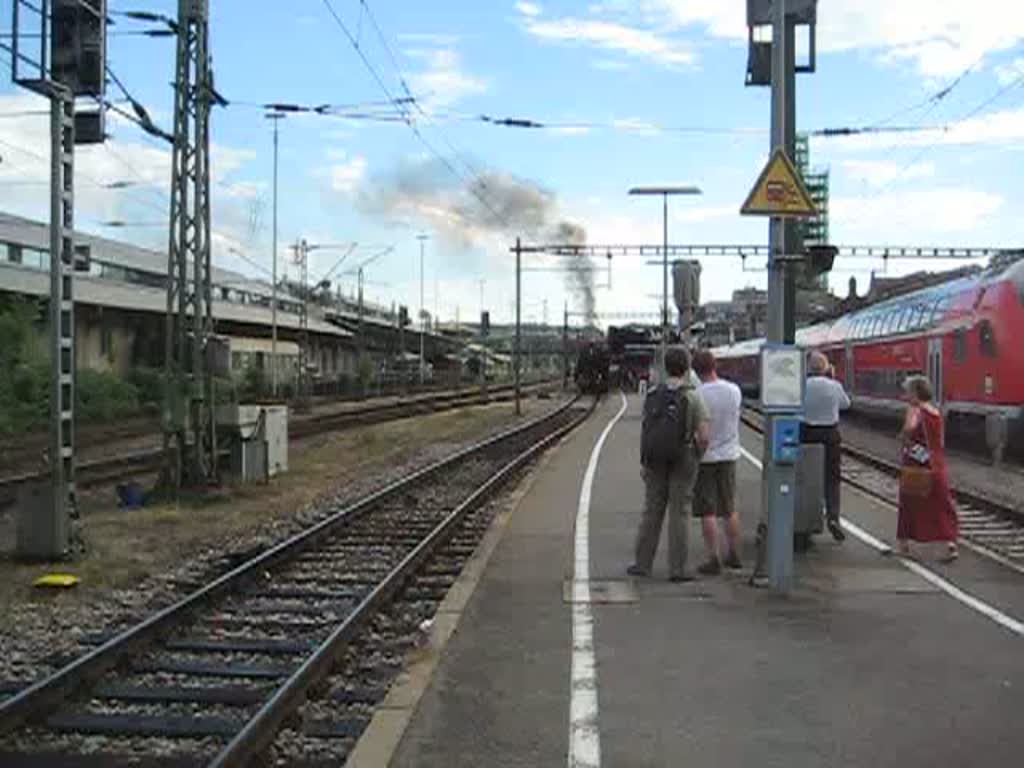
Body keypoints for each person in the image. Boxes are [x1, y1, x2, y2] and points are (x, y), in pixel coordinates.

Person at [628, 347, 710, 582]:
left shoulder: (653, 394)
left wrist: (644, 460)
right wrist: (698, 454)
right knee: (679, 512)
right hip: (683, 458)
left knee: (652, 510)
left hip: (654, 459)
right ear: (686, 368)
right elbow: (704, 435)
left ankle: (642, 564)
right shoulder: (693, 397)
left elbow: (646, 428)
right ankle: (678, 569)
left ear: (665, 366)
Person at [691, 350, 743, 575]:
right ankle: (734, 554)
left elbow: (697, 428)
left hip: (705, 457)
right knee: (729, 508)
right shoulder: (734, 391)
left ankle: (714, 558)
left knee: (708, 511)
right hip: (730, 454)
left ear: (696, 370)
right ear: (715, 366)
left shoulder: (697, 395)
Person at [896, 376, 959, 561]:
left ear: (915, 393)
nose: (905, 396)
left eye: (907, 392)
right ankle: (950, 545)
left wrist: (903, 435)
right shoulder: (935, 411)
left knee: (908, 503)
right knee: (942, 503)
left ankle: (903, 545)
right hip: (936, 464)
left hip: (917, 465)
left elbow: (908, 431)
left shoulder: (915, 410)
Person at [801, 350, 851, 542]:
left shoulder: (802, 385)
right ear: (826, 367)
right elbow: (846, 404)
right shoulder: (834, 386)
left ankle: (808, 518)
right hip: (830, 435)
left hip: (806, 433)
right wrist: (833, 379)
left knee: (807, 478)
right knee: (832, 478)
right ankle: (833, 517)